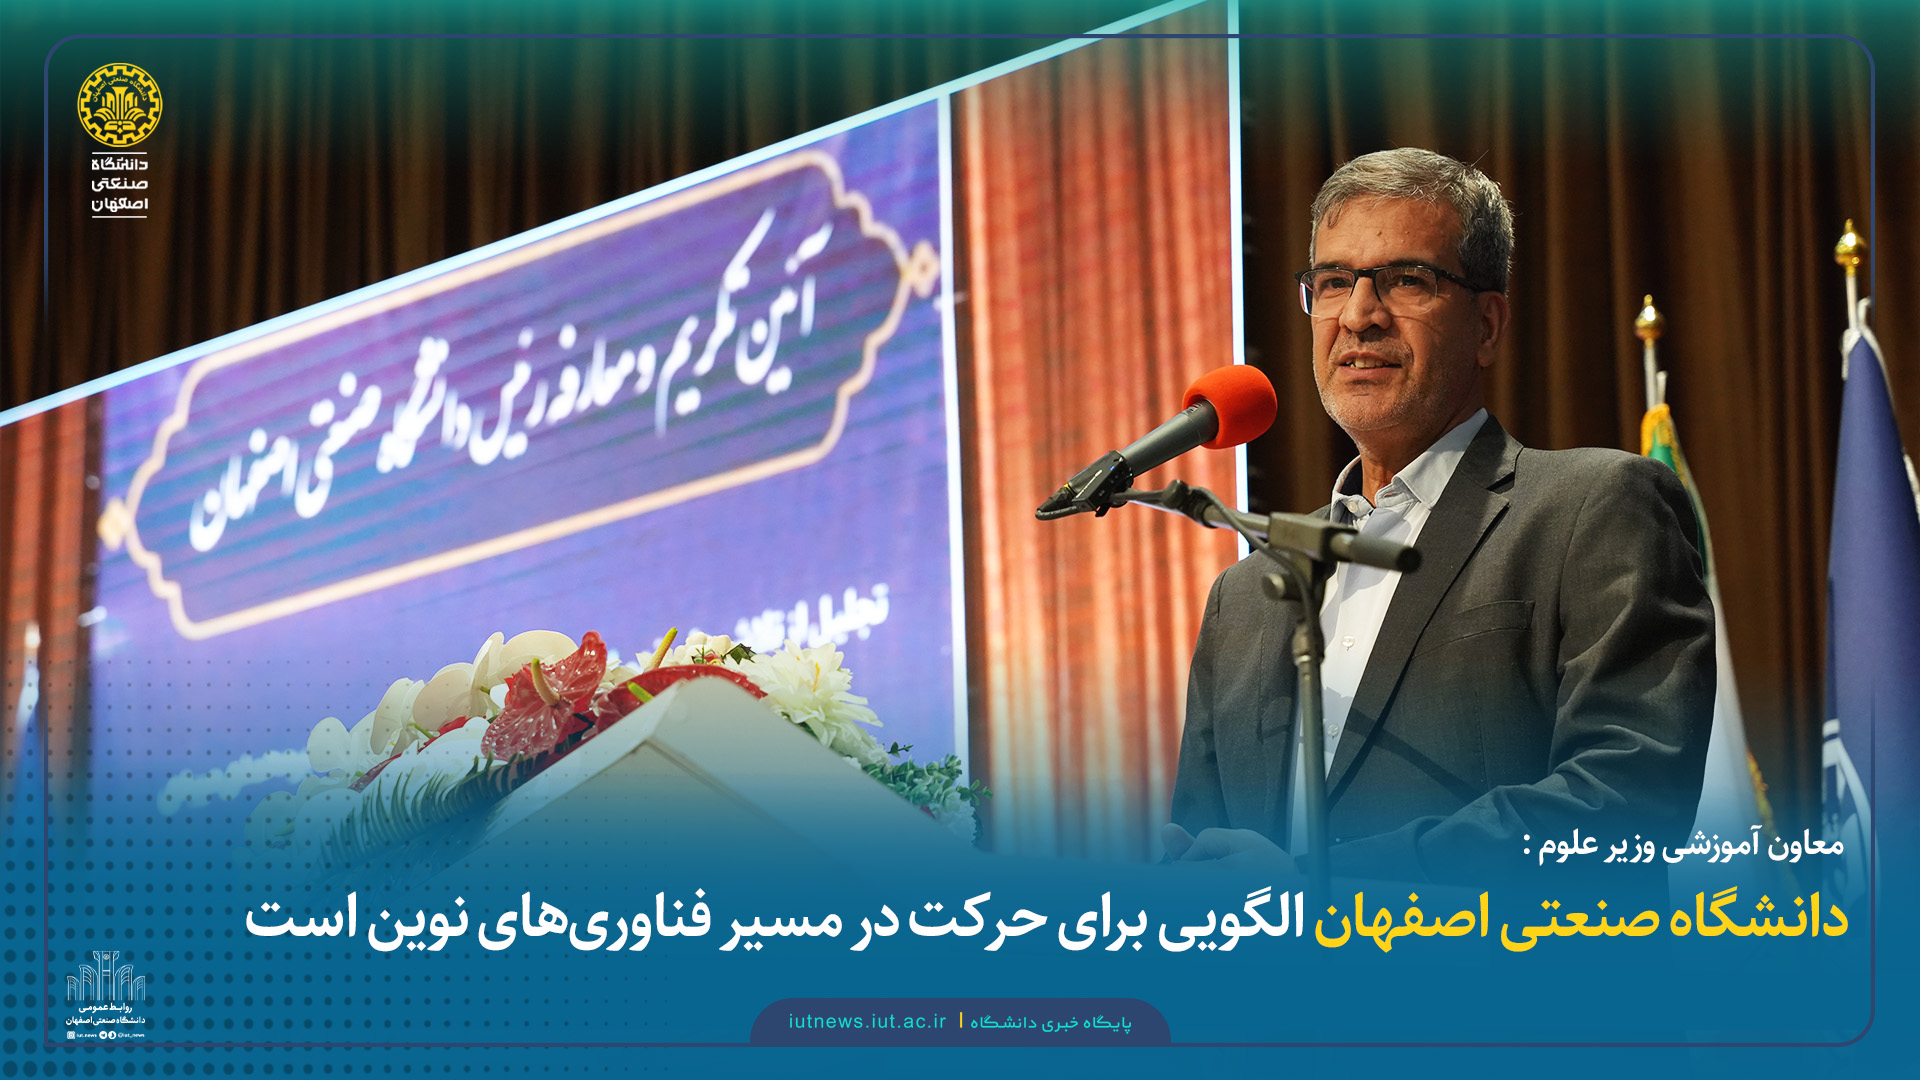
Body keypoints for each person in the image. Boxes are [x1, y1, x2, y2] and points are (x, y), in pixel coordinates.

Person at [1164, 148, 1714, 888]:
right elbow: (1205, 849)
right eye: (1333, 282)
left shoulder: (1595, 506)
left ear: (1487, 325)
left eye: (1405, 280)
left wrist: (1319, 890)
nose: (1358, 315)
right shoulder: (1245, 598)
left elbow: (1626, 797)